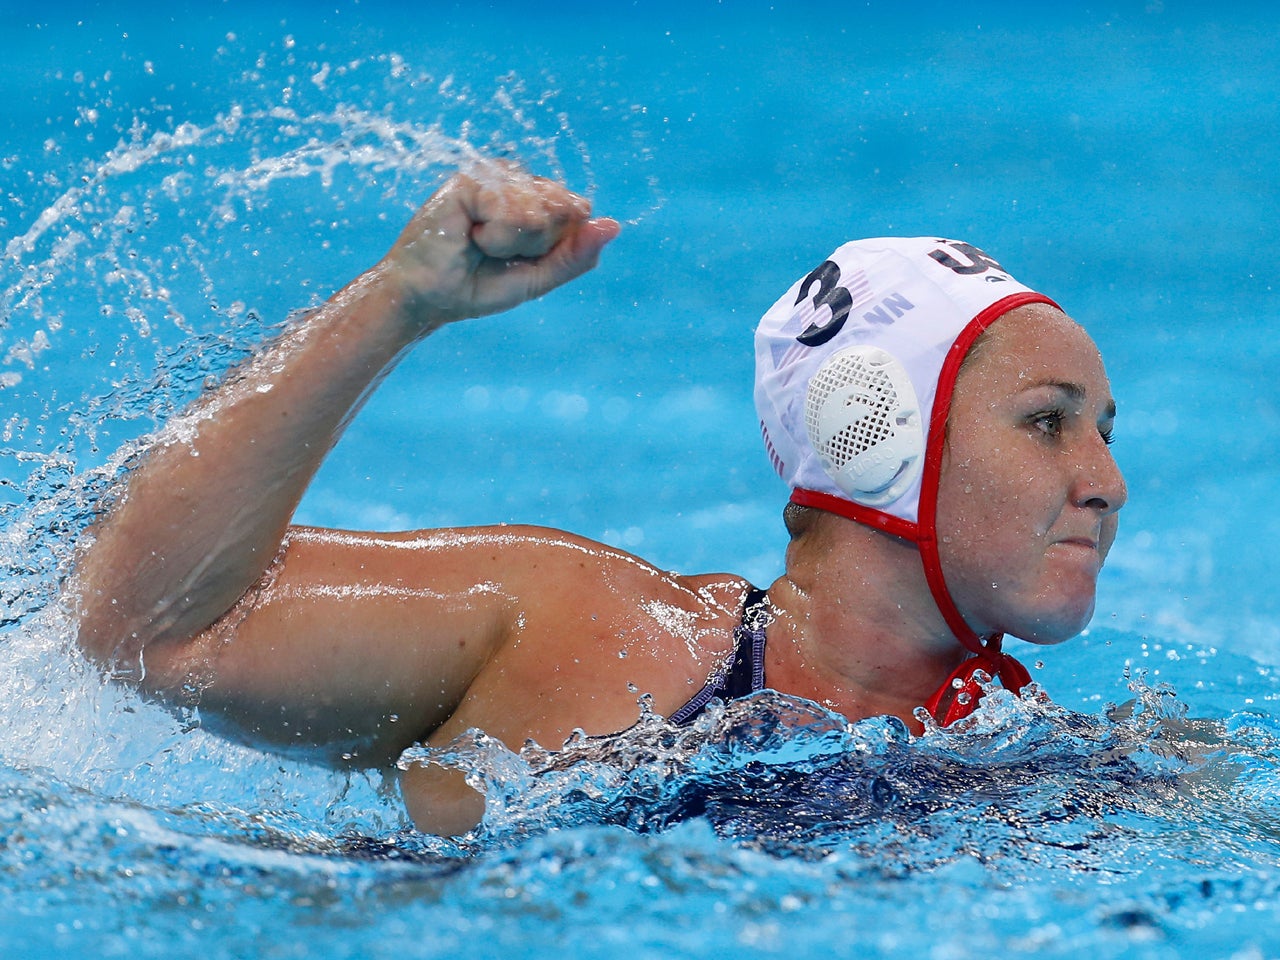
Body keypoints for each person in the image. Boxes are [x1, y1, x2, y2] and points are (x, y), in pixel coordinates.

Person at [69, 165, 1126, 836]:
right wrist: (400, 305)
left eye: (1103, 432)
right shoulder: (587, 629)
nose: (1104, 482)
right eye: (1047, 421)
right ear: (875, 432)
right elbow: (146, 628)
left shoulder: (1028, 758)